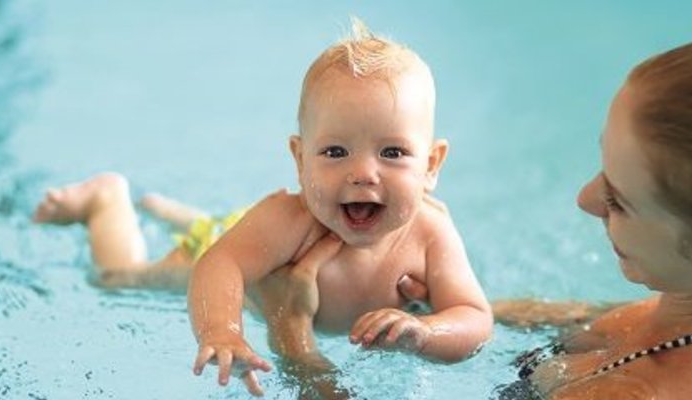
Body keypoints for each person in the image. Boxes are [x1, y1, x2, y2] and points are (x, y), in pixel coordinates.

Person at [270, 36, 692, 399]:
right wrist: (455, 312)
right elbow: (628, 323)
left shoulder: (624, 396)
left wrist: (293, 339)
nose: (585, 199)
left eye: (620, 199)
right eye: (604, 167)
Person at [34, 18, 493, 397]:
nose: (363, 173)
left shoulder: (431, 232)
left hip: (254, 237)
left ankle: (174, 211)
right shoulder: (290, 220)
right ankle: (106, 201)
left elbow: (472, 316)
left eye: (392, 152)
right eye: (335, 152)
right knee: (120, 278)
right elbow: (220, 263)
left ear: (431, 165)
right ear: (300, 160)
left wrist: (426, 333)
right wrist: (221, 329)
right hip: (237, 241)